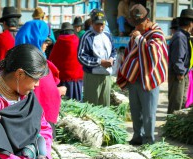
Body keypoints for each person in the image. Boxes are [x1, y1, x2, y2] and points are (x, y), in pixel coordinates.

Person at [117, 4, 168, 145]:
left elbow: (153, 55)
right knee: (135, 110)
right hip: (135, 78)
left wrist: (139, 39)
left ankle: (148, 140)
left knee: (149, 113)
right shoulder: (138, 33)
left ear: (146, 20)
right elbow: (131, 53)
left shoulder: (156, 33)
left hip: (149, 78)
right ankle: (137, 136)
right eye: (135, 24)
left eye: (138, 24)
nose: (136, 27)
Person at [15, 19, 66, 137]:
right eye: (45, 39)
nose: (47, 43)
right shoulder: (27, 64)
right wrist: (57, 91)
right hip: (33, 123)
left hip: (43, 120)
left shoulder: (38, 60)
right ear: (34, 38)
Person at [77, 9, 116, 107]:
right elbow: (81, 57)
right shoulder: (86, 37)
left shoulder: (107, 35)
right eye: (97, 24)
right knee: (92, 107)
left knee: (105, 107)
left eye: (102, 24)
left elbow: (114, 52)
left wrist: (112, 59)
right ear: (92, 23)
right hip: (92, 77)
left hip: (106, 77)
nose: (100, 27)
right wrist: (99, 62)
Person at [167, 9, 193, 114]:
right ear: (190, 23)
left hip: (183, 72)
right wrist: (180, 72)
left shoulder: (184, 35)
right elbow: (178, 58)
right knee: (176, 104)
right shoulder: (180, 37)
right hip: (178, 74)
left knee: (181, 102)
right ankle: (170, 128)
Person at [49, 22, 83, 101]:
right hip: (76, 78)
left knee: (64, 101)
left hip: (63, 78)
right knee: (76, 101)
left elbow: (52, 59)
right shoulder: (77, 40)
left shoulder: (60, 41)